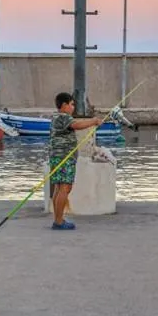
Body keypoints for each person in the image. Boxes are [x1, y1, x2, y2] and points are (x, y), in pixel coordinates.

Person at [48, 91, 101, 230]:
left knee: (59, 188)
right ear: (64, 105)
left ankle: (58, 219)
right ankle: (58, 222)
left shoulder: (56, 117)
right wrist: (94, 121)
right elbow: (77, 125)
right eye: (72, 104)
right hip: (64, 158)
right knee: (65, 187)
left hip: (56, 157)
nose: (73, 107)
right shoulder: (64, 117)